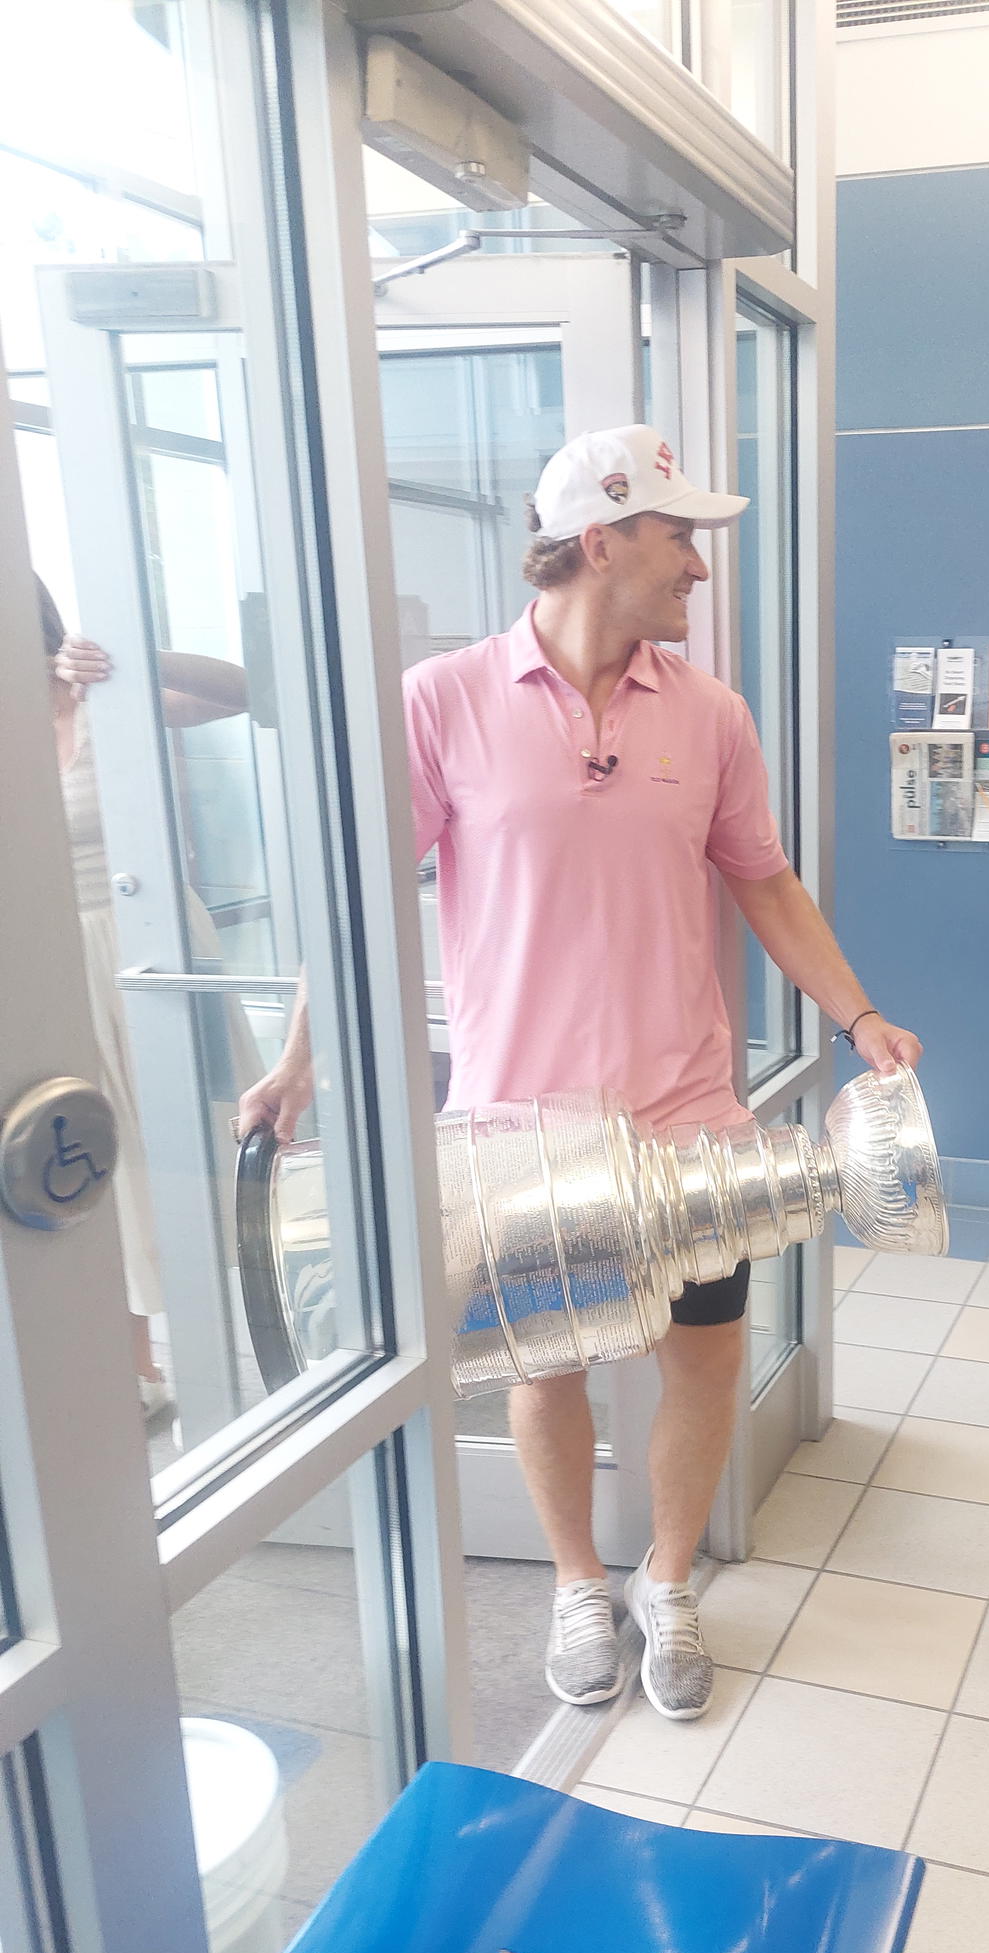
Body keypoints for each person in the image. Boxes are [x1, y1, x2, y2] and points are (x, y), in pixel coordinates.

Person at [238, 425, 922, 1720]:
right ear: (600, 541)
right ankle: (573, 1584)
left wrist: (859, 1016)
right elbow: (366, 897)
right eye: (681, 538)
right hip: (521, 1124)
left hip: (688, 1115)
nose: (699, 567)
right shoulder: (442, 699)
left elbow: (765, 883)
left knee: (703, 1358)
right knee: (544, 1367)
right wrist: (297, 1062)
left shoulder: (711, 714)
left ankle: (667, 1582)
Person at [37, 578, 259, 1432]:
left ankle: (217, 1354)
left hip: (155, 948)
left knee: (186, 1149)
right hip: (56, 958)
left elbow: (241, 690)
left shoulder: (105, 694)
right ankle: (134, 1366)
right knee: (93, 1157)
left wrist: (130, 654)